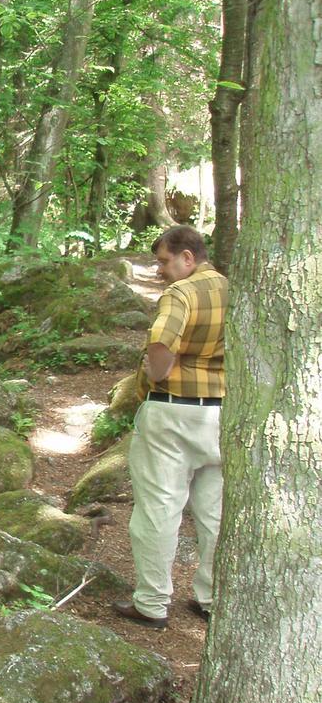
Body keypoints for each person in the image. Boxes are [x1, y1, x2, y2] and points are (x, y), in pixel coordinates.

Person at [113, 225, 228, 629]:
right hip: (221, 414)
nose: (159, 270)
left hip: (174, 412)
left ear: (188, 258)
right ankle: (212, 598)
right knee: (214, 514)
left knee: (159, 508)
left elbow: (160, 342)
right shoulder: (233, 289)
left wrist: (157, 373)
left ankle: (151, 602)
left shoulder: (182, 293)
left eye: (163, 261)